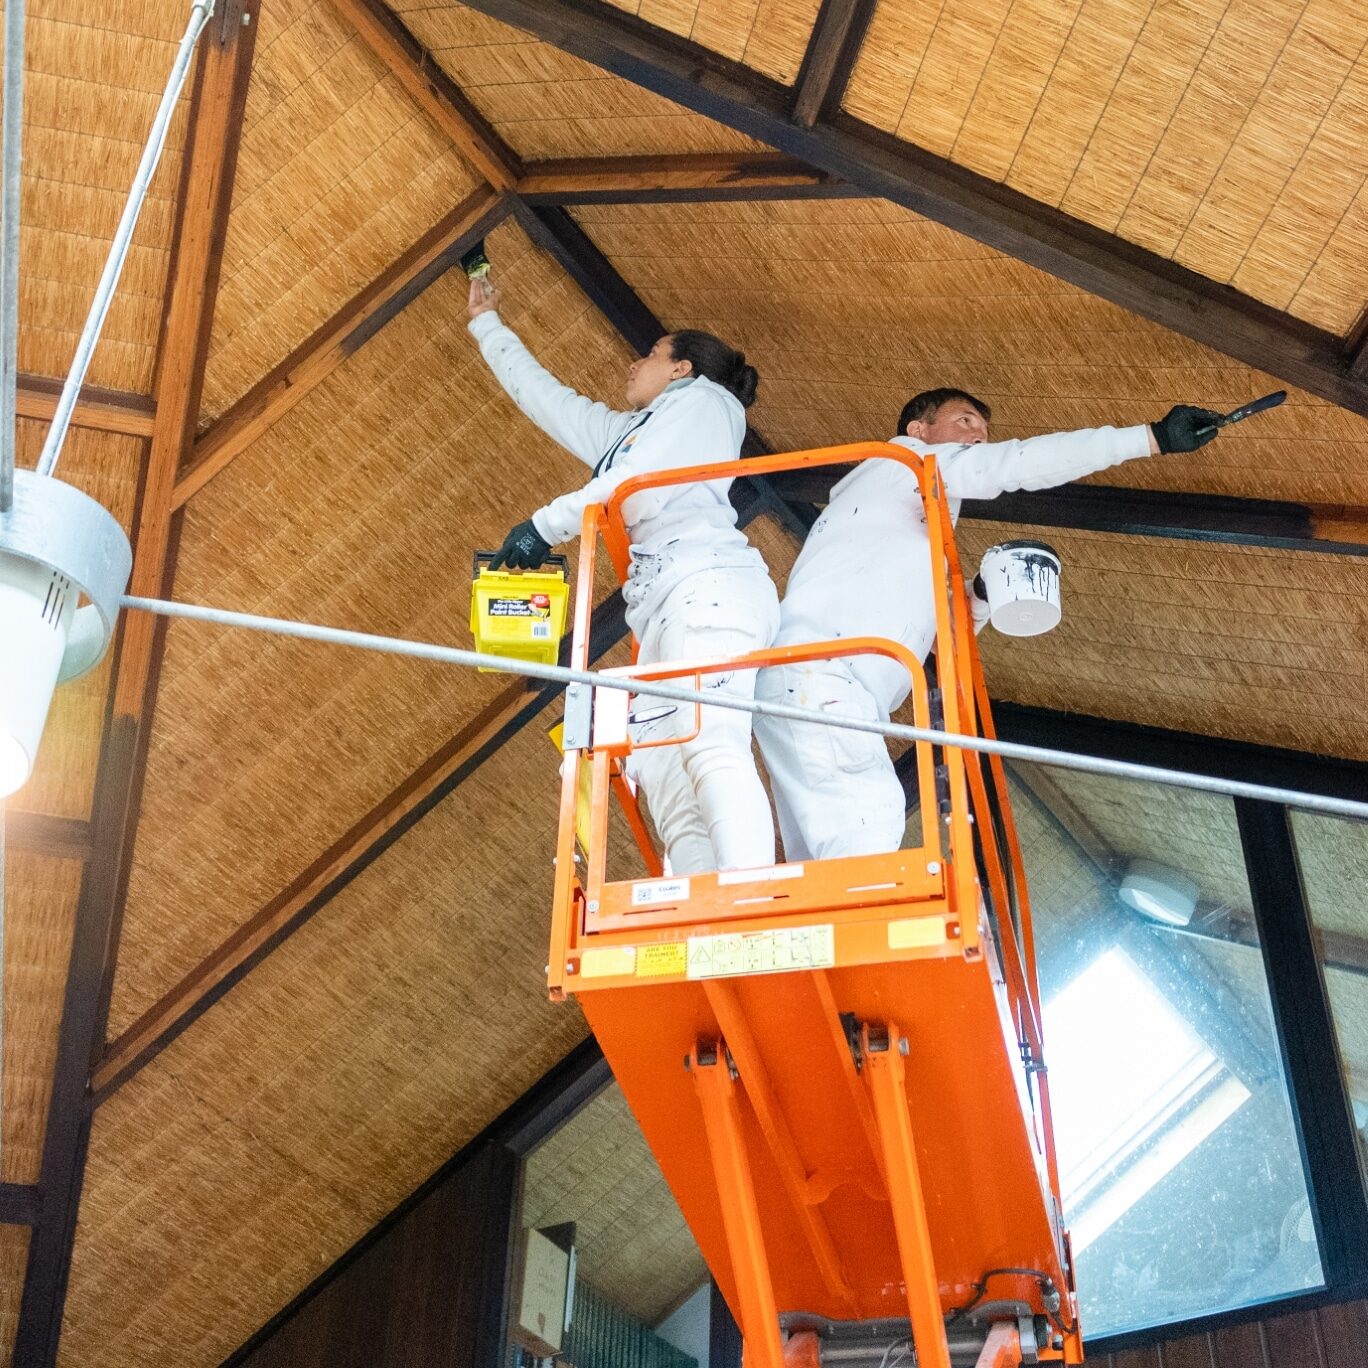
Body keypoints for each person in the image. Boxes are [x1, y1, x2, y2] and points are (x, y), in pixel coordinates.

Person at [753, 389, 1223, 861]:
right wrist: (1151, 438)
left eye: (983, 429)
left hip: (815, 684)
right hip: (825, 678)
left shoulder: (906, 536)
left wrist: (980, 595)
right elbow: (1014, 464)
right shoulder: (903, 462)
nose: (978, 434)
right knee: (866, 833)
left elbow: (945, 641)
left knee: (821, 867)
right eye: (965, 421)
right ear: (919, 430)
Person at [467, 278, 779, 875]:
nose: (634, 364)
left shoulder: (708, 404)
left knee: (711, 743)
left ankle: (745, 900)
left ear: (682, 368)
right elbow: (547, 400)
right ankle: (700, 919)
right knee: (667, 778)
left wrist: (543, 524)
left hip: (708, 586)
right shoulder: (636, 432)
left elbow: (632, 486)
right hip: (666, 605)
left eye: (651, 355)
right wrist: (487, 325)